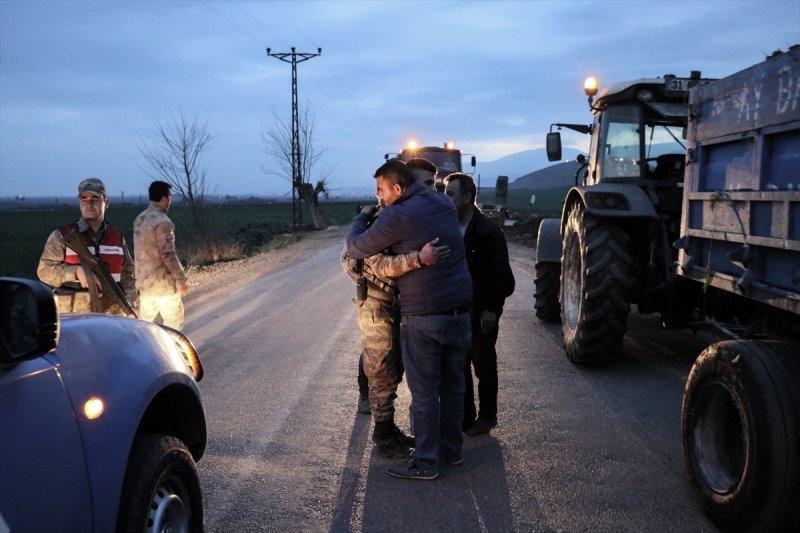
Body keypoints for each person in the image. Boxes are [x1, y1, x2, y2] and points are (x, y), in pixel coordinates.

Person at [346, 159, 472, 480]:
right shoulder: (444, 203)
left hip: (424, 314)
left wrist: (362, 218)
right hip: (458, 313)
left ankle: (426, 462)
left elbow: (357, 248)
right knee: (453, 387)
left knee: (425, 391)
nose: (378, 196)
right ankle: (450, 451)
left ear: (399, 188)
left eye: (381, 190)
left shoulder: (396, 214)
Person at [352, 157, 439, 415]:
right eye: (422, 183)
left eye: (432, 183)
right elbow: (364, 258)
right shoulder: (384, 217)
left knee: (397, 360)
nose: (428, 189)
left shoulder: (428, 211)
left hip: (411, 302)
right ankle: (378, 418)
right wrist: (418, 261)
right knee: (380, 358)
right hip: (384, 301)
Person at [444, 173, 515, 436]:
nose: (445, 197)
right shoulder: (447, 228)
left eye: (451, 193)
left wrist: (492, 309)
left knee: (483, 365)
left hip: (479, 311)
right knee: (457, 366)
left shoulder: (488, 232)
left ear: (466, 197)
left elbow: (503, 278)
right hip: (454, 311)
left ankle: (487, 417)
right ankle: (464, 417)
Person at [37, 178, 137, 315]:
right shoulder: (63, 235)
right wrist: (76, 271)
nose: (88, 204)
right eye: (84, 200)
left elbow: (128, 276)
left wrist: (131, 304)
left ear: (106, 202)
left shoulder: (116, 238)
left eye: (95, 199)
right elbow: (44, 271)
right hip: (74, 317)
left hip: (112, 316)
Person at [133, 180, 188, 330]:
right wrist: (181, 279)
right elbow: (168, 254)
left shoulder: (139, 219)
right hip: (164, 287)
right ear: (164, 198)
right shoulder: (163, 222)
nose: (170, 200)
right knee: (173, 327)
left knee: (144, 329)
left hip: (144, 286)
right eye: (169, 197)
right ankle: (168, 353)